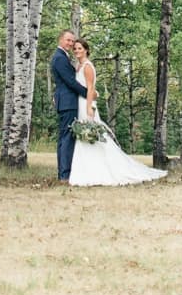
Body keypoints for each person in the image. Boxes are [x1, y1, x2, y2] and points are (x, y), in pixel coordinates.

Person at [68, 39, 166, 187]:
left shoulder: (87, 66)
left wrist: (89, 107)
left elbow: (90, 88)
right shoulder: (78, 65)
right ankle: (88, 169)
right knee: (84, 136)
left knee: (92, 134)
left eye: (80, 48)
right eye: (75, 49)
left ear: (86, 50)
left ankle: (103, 169)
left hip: (86, 103)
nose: (76, 51)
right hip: (79, 102)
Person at [50, 30, 88, 181]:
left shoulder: (63, 57)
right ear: (61, 40)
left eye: (72, 41)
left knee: (64, 138)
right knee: (67, 138)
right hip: (68, 102)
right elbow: (70, 82)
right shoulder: (59, 58)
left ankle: (63, 173)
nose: (71, 43)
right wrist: (88, 93)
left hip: (66, 101)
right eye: (68, 40)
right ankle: (65, 175)